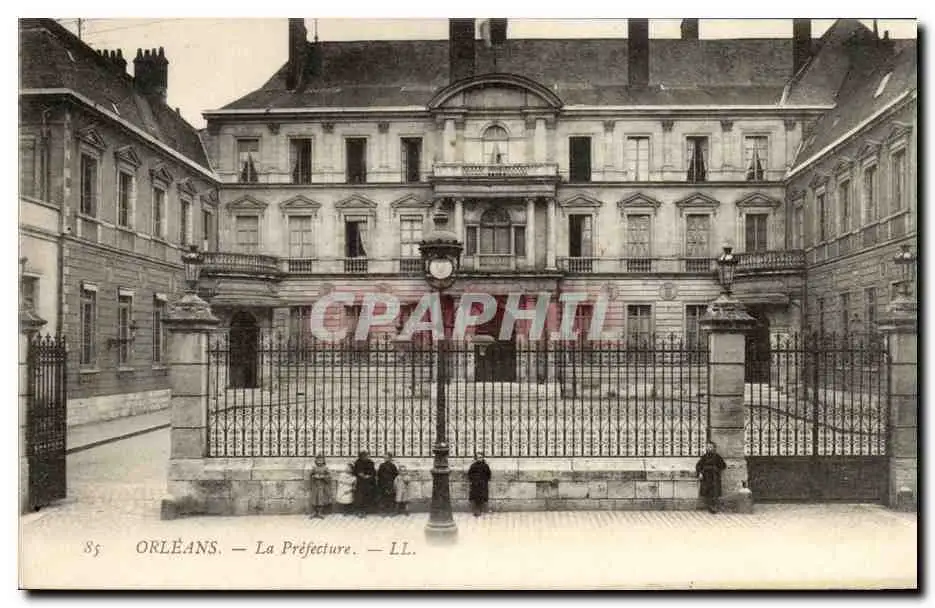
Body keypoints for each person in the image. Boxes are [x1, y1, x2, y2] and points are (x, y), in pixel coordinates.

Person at [695, 441, 727, 514]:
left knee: (715, 492)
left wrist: (716, 469)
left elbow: (723, 466)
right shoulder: (704, 457)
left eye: (710, 447)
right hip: (706, 477)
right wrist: (700, 473)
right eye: (707, 447)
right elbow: (698, 466)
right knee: (707, 491)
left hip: (714, 477)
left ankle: (714, 506)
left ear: (714, 448)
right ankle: (709, 506)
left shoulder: (717, 457)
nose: (709, 448)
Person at [352, 450, 377, 518]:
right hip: (360, 482)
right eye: (364, 456)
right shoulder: (358, 462)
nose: (366, 457)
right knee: (359, 498)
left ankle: (365, 511)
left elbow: (373, 472)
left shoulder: (371, 462)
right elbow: (355, 471)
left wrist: (369, 476)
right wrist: (361, 475)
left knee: (367, 497)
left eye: (367, 455)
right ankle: (359, 511)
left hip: (369, 482)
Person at [308, 454, 333, 519]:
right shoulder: (314, 468)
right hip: (315, 486)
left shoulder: (325, 468)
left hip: (322, 486)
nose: (319, 461)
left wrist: (323, 477)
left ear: (323, 461)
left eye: (321, 460)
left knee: (321, 499)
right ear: (316, 461)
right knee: (314, 499)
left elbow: (329, 476)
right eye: (318, 460)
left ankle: (320, 512)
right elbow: (310, 475)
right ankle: (314, 512)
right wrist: (314, 476)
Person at [467, 452, 492, 517]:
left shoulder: (485, 466)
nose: (479, 459)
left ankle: (481, 509)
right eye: (478, 458)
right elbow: (470, 474)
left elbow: (488, 474)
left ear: (482, 458)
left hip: (483, 484)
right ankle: (477, 510)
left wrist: (485, 480)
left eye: (480, 457)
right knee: (476, 497)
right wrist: (473, 480)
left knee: (482, 497)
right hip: (475, 484)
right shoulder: (473, 466)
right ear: (476, 458)